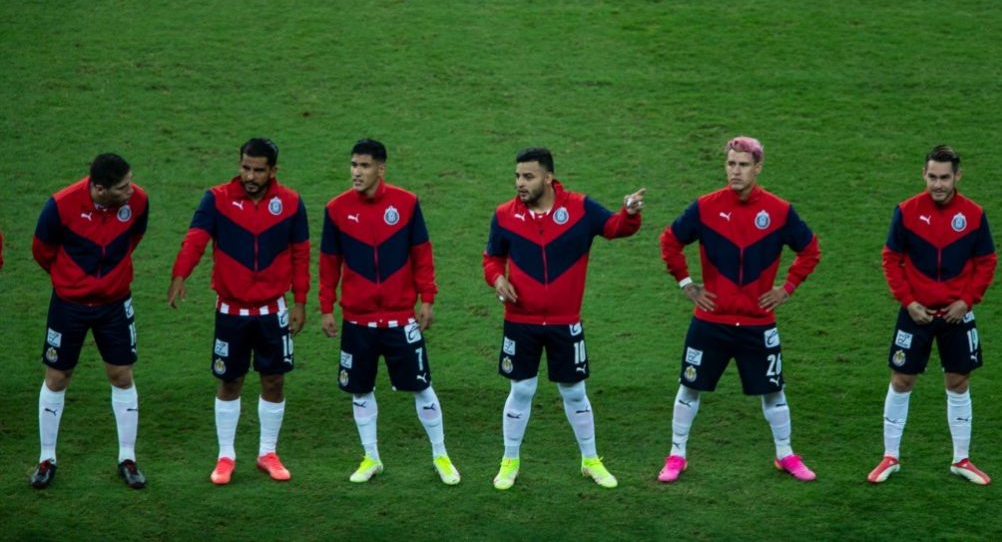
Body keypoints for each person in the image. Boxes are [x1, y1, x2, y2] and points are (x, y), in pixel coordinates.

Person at [657, 136, 821, 483]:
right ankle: (676, 455)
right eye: (731, 164)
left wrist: (787, 288)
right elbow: (670, 239)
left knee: (773, 390)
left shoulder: (779, 211)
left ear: (757, 168)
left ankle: (785, 454)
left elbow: (810, 250)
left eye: (743, 165)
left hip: (758, 323)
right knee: (689, 387)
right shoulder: (705, 207)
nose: (735, 171)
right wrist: (686, 283)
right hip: (710, 321)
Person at [483, 147, 645, 490]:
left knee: (574, 391)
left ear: (548, 178)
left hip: (564, 321)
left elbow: (616, 228)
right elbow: (492, 258)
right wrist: (497, 279)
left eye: (528, 177)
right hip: (521, 322)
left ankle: (591, 460)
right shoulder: (504, 215)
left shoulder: (580, 208)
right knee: (522, 389)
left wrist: (629, 213)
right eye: (517, 176)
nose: (520, 183)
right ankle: (509, 461)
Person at [168, 138, 310, 485]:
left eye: (258, 170)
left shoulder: (290, 203)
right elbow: (196, 239)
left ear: (272, 171)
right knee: (229, 381)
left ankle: (267, 452)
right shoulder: (216, 199)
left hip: (273, 311)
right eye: (245, 167)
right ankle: (226, 456)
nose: (249, 175)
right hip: (230, 311)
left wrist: (301, 301)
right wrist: (179, 275)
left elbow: (301, 254)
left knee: (273, 380)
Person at [320, 139, 460, 485]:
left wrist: (427, 298)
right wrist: (326, 307)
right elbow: (328, 264)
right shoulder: (336, 209)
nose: (356, 172)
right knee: (360, 389)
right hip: (357, 319)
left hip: (400, 318)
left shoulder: (407, 204)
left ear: (380, 169)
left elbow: (421, 255)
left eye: (364, 166)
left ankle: (440, 455)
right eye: (353, 165)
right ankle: (371, 457)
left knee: (421, 386)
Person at [868, 145, 996, 485]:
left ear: (957, 177)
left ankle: (961, 460)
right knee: (901, 379)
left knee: (958, 381)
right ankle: (890, 456)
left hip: (957, 314)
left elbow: (986, 263)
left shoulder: (973, 215)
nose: (938, 184)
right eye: (932, 177)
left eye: (944, 177)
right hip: (916, 313)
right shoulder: (907, 212)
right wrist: (908, 302)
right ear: (923, 175)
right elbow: (890, 258)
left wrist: (966, 302)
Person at [30, 153, 149, 489]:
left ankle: (128, 458)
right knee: (57, 376)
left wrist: (109, 279)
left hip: (114, 304)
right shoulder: (61, 206)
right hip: (69, 305)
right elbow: (42, 250)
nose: (131, 190)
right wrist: (73, 282)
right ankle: (46, 458)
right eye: (123, 186)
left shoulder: (137, 201)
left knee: (121, 373)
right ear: (99, 188)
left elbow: (133, 238)